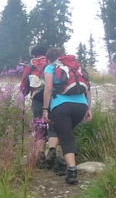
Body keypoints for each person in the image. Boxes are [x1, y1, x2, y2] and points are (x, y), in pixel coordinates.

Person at [41, 47, 92, 185]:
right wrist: (89, 108)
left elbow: (48, 88)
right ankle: (62, 164)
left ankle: (72, 171)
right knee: (67, 134)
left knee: (66, 139)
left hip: (61, 106)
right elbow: (88, 88)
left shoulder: (50, 67)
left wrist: (45, 109)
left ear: (48, 59)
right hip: (81, 106)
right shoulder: (75, 67)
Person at [20, 43, 51, 164]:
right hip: (52, 96)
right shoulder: (50, 63)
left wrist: (24, 93)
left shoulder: (30, 65)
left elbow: (24, 84)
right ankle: (53, 152)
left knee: (39, 125)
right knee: (54, 123)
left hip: (37, 96)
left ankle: (40, 155)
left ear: (33, 54)